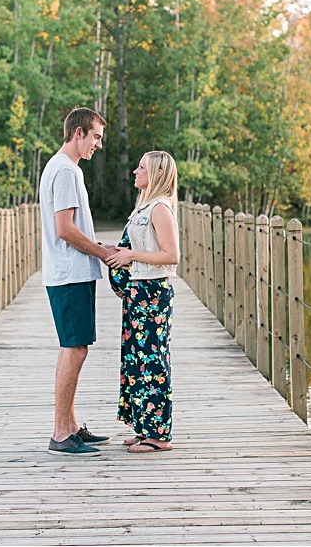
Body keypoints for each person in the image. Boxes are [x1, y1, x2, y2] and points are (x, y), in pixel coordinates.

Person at [40, 107, 116, 456]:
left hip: (68, 274)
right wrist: (102, 253)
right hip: (70, 274)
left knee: (71, 347)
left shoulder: (64, 168)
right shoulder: (66, 171)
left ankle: (70, 426)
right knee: (76, 348)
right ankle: (60, 434)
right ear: (78, 134)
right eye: (96, 137)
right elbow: (65, 229)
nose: (98, 145)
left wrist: (99, 247)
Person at [106, 151, 179, 453]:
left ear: (157, 173)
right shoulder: (145, 207)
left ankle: (160, 436)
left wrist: (131, 255)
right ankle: (144, 428)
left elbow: (171, 256)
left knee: (152, 361)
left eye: (141, 168)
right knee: (136, 361)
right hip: (139, 294)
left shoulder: (160, 209)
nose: (135, 171)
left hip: (152, 295)